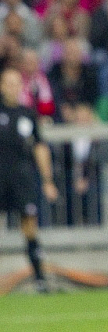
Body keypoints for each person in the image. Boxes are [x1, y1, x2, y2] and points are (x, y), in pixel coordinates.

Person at [0, 67, 58, 292]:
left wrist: (47, 180)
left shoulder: (27, 115)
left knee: (30, 227)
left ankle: (40, 277)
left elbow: (39, 147)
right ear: (2, 86)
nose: (12, 87)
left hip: (22, 180)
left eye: (16, 83)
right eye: (8, 83)